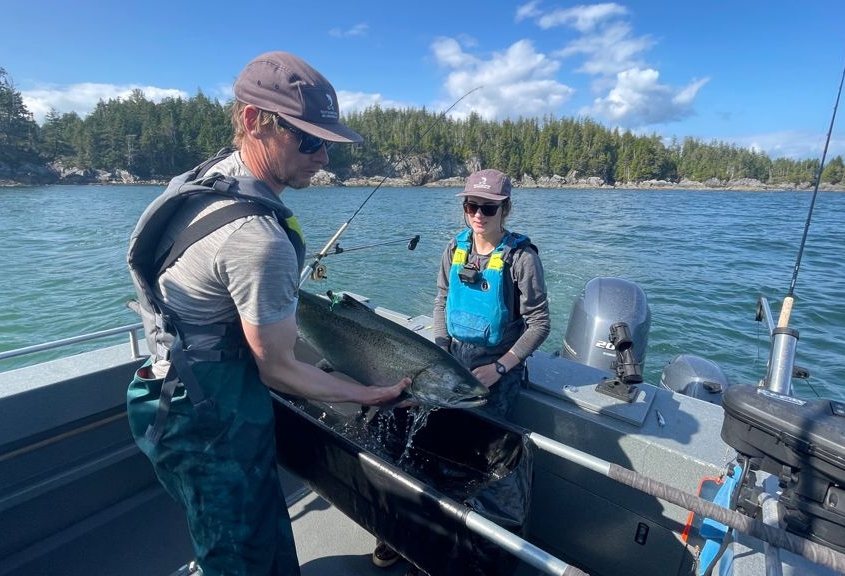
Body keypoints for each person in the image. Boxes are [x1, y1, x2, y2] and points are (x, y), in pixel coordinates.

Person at [126, 51, 409, 576]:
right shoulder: (258, 239)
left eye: (327, 141)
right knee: (239, 556)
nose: (323, 155)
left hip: (167, 390)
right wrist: (369, 393)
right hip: (208, 417)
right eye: (308, 138)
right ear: (255, 120)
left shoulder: (209, 178)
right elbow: (277, 368)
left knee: (259, 530)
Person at [372, 169, 551, 575]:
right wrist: (439, 352)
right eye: (471, 206)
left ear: (505, 208)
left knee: (474, 464)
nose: (478, 215)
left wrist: (501, 367)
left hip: (496, 375)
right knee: (425, 446)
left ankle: (469, 553)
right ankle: (408, 536)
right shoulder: (456, 245)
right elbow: (441, 299)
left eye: (488, 208)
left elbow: (540, 323)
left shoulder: (522, 258)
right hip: (449, 362)